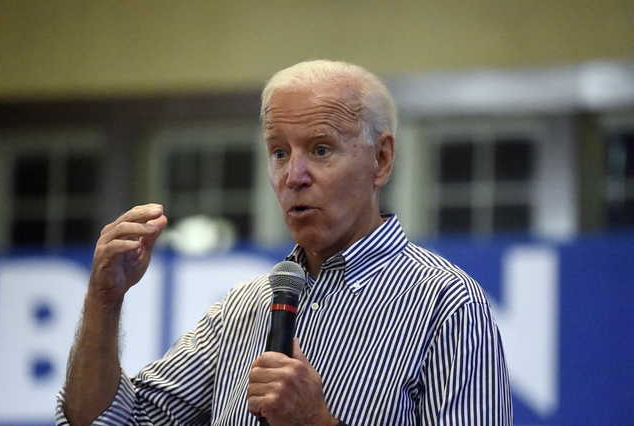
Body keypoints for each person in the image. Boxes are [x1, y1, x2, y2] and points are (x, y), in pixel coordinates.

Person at [57, 60, 512, 425]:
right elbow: (114, 420)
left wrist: (311, 421)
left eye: (320, 149)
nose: (294, 177)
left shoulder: (447, 305)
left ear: (382, 159)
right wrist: (104, 300)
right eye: (279, 152)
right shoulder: (242, 309)